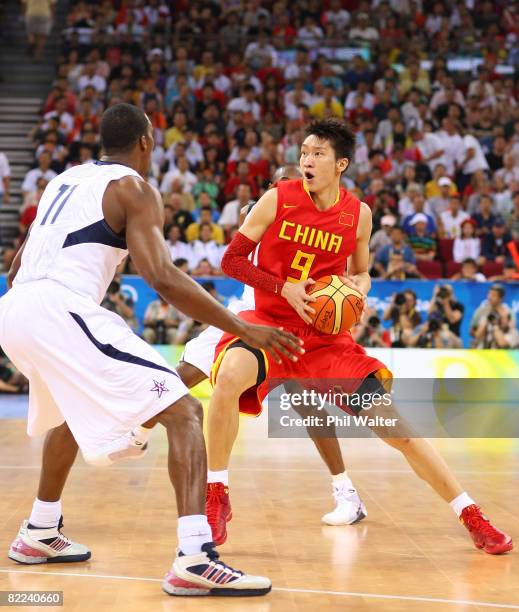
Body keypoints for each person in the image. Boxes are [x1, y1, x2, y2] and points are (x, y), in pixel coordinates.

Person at [0, 104, 304, 597]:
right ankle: (194, 557)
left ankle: (39, 531)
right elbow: (161, 277)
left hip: (14, 310)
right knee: (185, 412)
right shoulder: (134, 188)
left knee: (67, 416)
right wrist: (240, 328)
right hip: (59, 308)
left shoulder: (62, 181)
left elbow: (16, 268)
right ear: (145, 142)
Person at [205, 118, 512, 555]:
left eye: (318, 154)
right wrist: (282, 288)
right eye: (304, 152)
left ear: (341, 164)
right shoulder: (276, 200)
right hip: (272, 327)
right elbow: (231, 261)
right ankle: (217, 494)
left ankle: (471, 515)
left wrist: (357, 289)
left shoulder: (359, 215)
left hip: (327, 340)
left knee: (398, 430)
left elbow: (363, 271)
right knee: (230, 374)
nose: (307, 160)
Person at [179, 164, 368, 531]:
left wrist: (345, 299)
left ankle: (345, 490)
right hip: (250, 317)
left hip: (293, 325)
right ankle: (137, 429)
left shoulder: (321, 221)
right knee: (185, 376)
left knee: (307, 403)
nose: (294, 187)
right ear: (273, 187)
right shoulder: (263, 212)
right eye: (285, 181)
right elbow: (233, 261)